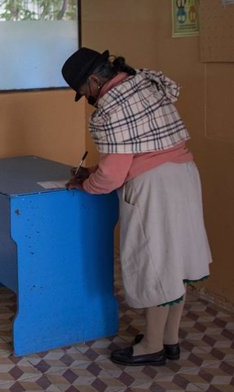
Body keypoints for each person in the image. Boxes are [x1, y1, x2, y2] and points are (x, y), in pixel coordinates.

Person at [60, 47, 211, 366]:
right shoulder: (143, 82)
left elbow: (112, 176)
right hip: (183, 176)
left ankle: (151, 347)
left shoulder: (111, 108)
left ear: (92, 80)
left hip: (153, 188)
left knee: (155, 264)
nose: (86, 97)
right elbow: (139, 146)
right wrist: (95, 172)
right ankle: (170, 339)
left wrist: (86, 184)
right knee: (176, 260)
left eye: (82, 91)